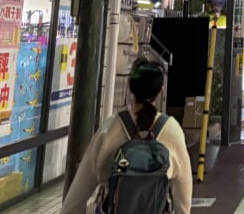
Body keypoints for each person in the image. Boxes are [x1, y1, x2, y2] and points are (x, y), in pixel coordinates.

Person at [61, 59, 192, 214]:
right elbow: (183, 190)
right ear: (160, 90)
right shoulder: (172, 129)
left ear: (129, 86)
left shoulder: (109, 128)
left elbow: (78, 192)